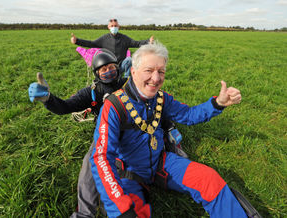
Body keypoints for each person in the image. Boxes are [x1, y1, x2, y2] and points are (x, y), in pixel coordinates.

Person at [89, 42, 249, 218]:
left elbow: (188, 115)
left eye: (161, 72)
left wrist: (218, 103)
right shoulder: (114, 106)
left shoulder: (161, 98)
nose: (156, 78)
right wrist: (118, 207)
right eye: (149, 71)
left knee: (208, 179)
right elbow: (101, 157)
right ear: (133, 72)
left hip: (161, 162)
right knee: (131, 212)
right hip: (130, 172)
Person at [28, 50, 185, 218]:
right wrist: (49, 99)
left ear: (118, 68)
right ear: (97, 74)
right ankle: (84, 213)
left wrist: (169, 127)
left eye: (111, 67)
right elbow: (66, 107)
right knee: (90, 162)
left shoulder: (130, 84)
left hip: (137, 131)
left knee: (160, 140)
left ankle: (174, 159)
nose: (108, 71)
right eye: (103, 70)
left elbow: (156, 104)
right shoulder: (92, 92)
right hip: (107, 134)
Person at [70, 18, 154, 78]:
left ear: (119, 27)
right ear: (108, 27)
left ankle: (126, 79)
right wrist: (77, 41)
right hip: (109, 67)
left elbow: (136, 43)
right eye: (112, 26)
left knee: (129, 60)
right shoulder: (104, 38)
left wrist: (148, 42)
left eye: (115, 26)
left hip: (121, 66)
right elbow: (91, 43)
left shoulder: (124, 38)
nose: (114, 27)